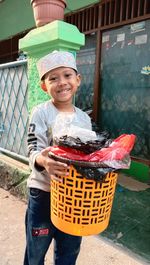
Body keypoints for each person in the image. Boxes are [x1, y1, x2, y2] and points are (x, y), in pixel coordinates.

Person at [24, 50, 92, 265]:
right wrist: (43, 161)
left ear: (78, 80)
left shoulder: (84, 118)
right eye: (53, 78)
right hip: (43, 193)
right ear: (44, 86)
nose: (62, 82)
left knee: (69, 251)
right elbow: (32, 148)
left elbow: (87, 157)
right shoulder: (41, 112)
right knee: (36, 252)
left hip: (73, 198)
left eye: (67, 75)